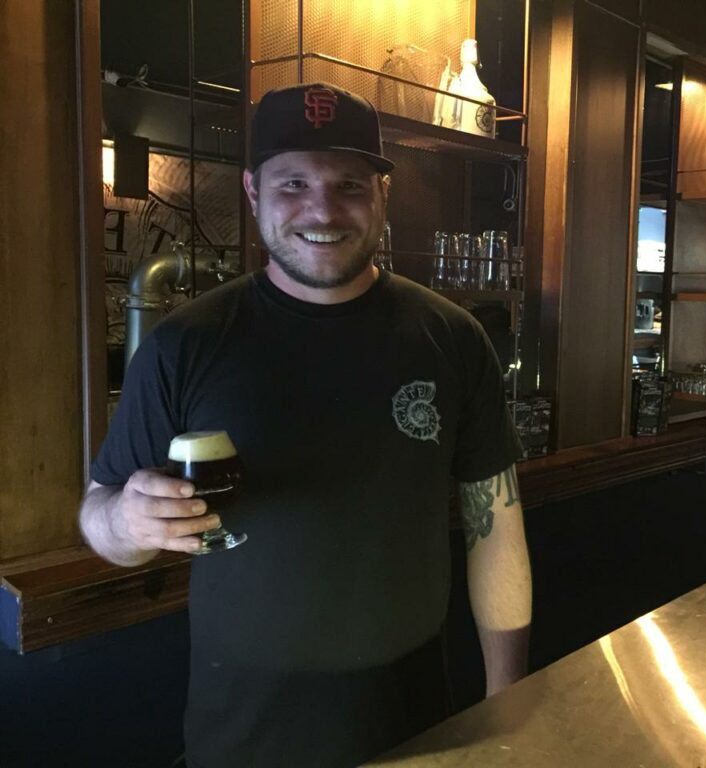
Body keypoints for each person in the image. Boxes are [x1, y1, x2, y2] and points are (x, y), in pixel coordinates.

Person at [79, 82, 532, 768]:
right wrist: (125, 523)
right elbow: (98, 515)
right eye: (293, 183)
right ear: (254, 194)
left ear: (383, 192)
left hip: (409, 725)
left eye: (349, 183)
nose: (323, 209)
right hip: (239, 735)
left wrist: (510, 705)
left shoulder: (454, 340)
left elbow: (495, 535)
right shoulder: (184, 345)